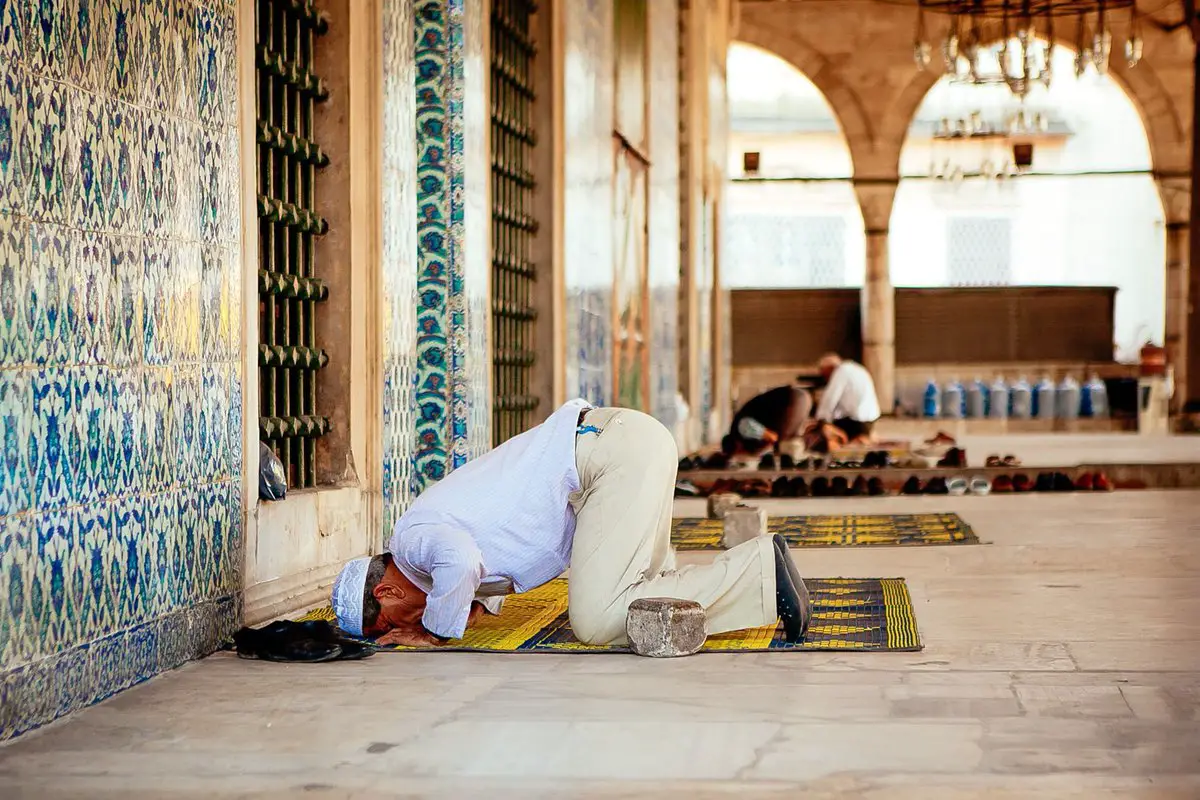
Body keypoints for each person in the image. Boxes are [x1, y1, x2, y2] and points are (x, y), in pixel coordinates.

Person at [332, 399, 812, 648]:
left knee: (597, 620)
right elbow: (493, 539)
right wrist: (475, 606)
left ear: (386, 593)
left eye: (396, 624)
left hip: (607, 459)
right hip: (625, 443)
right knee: (649, 588)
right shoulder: (424, 538)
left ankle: (759, 572)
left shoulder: (411, 540)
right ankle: (766, 572)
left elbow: (461, 560)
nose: (406, 627)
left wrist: (433, 630)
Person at [721, 385, 813, 458]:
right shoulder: (743, 432)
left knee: (784, 446)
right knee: (790, 444)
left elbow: (771, 437)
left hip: (791, 400)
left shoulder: (742, 428)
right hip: (800, 397)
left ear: (737, 446)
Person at [811, 353, 881, 445]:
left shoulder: (841, 371)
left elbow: (830, 397)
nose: (826, 379)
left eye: (825, 374)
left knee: (823, 432)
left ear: (830, 368)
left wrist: (821, 420)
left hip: (857, 421)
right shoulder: (855, 368)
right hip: (870, 420)